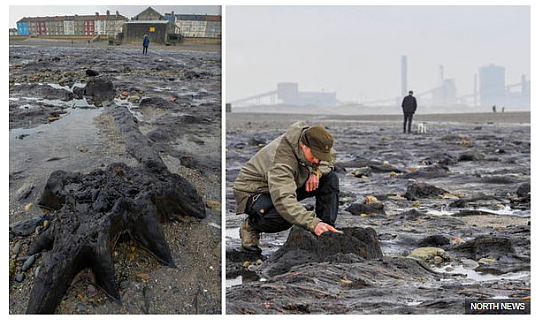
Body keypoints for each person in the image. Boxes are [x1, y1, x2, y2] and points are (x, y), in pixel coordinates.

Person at [233, 122, 340, 253]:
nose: (316, 161)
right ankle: (251, 225)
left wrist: (315, 172)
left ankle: (326, 230)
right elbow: (283, 200)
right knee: (284, 216)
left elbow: (330, 157)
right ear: (303, 146)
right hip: (255, 192)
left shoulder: (315, 140)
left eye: (319, 158)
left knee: (330, 179)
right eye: (313, 157)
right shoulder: (281, 159)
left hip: (289, 183)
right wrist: (312, 223)